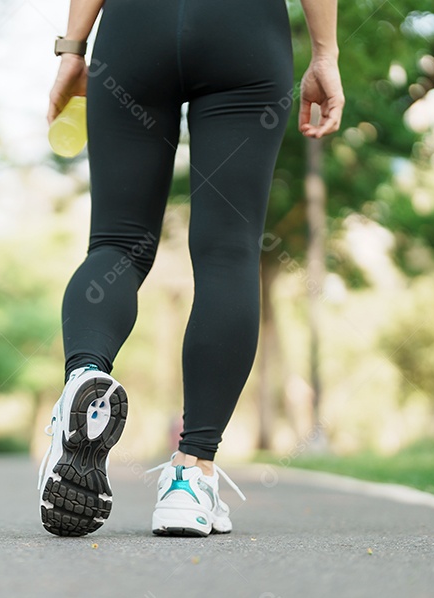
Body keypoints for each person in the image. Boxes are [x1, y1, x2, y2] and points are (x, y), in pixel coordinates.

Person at [37, 0, 344, 536]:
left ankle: (84, 379)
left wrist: (72, 47)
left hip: (136, 27)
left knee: (116, 243)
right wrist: (324, 53)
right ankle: (190, 475)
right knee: (228, 251)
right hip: (244, 30)